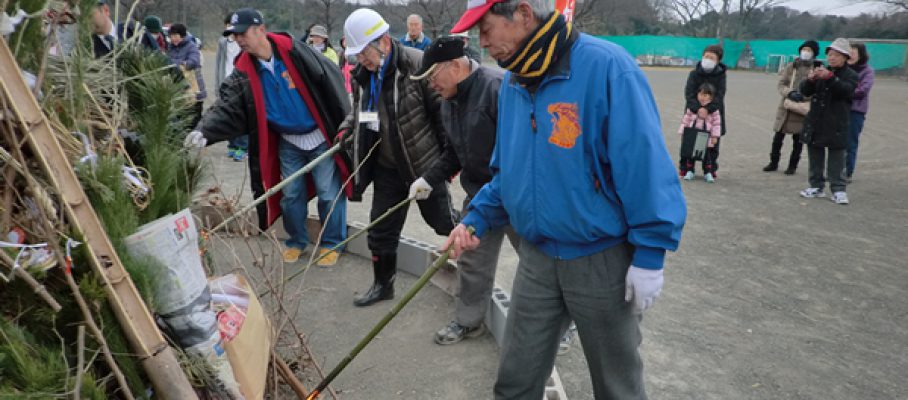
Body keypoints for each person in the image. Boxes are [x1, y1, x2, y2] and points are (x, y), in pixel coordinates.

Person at [446, 0, 686, 398]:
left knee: (617, 384)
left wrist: (650, 253)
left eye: (486, 29)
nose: (482, 43)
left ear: (522, 13)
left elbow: (644, 166)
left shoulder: (608, 67)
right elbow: (509, 169)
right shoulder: (512, 81)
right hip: (537, 260)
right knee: (515, 380)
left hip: (601, 261)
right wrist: (478, 217)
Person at [185, 8, 352, 265]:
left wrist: (343, 125)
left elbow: (330, 81)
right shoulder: (244, 70)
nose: (239, 40)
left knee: (328, 192)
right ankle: (296, 240)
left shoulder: (295, 53)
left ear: (260, 30)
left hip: (319, 137)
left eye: (243, 33)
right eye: (234, 35)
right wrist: (203, 130)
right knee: (291, 195)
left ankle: (332, 242)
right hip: (288, 141)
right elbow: (226, 105)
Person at [339, 8, 458, 307]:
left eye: (364, 53)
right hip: (387, 168)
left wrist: (449, 163)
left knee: (445, 224)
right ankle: (383, 285)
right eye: (356, 55)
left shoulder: (417, 64)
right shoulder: (363, 77)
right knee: (380, 231)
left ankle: (471, 280)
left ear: (384, 42)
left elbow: (443, 114)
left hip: (423, 167)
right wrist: (345, 130)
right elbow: (358, 113)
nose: (361, 60)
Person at [407, 36, 515, 344]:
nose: (431, 85)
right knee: (470, 259)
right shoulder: (448, 103)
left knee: (541, 262)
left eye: (432, 76)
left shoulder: (498, 88)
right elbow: (453, 153)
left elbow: (518, 151)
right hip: (480, 195)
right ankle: (469, 321)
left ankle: (565, 324)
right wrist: (428, 179)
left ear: (455, 65)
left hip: (516, 192)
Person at [798, 38, 859, 205]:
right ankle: (816, 186)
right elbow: (805, 91)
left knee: (837, 158)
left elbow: (846, 91)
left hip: (837, 121)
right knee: (815, 154)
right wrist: (810, 80)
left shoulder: (851, 75)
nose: (832, 58)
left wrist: (830, 78)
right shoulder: (820, 70)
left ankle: (838, 189)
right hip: (817, 119)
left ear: (845, 57)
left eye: (836, 55)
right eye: (830, 54)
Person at [763, 40, 820, 175]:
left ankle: (792, 165)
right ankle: (773, 162)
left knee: (798, 140)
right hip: (786, 107)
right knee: (778, 137)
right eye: (804, 49)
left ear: (814, 53)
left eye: (809, 50)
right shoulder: (791, 66)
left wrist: (804, 97)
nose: (805, 52)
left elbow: (818, 89)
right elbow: (781, 84)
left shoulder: (817, 68)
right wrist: (790, 93)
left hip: (802, 108)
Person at [683, 44, 727, 181]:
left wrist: (708, 109)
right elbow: (689, 93)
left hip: (714, 113)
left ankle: (710, 168)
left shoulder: (721, 75)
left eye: (711, 57)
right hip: (693, 113)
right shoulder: (694, 74)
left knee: (712, 142)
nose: (707, 59)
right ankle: (686, 168)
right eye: (706, 56)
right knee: (690, 142)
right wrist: (697, 109)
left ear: (718, 60)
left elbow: (720, 95)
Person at [215, 13, 248, 161]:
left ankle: (243, 147)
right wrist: (218, 85)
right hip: (226, 82)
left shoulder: (245, 43)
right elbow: (218, 64)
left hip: (241, 85)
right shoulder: (223, 42)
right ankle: (232, 145)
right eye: (227, 25)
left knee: (241, 116)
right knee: (229, 116)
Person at [678, 83, 722, 182]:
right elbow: (685, 121)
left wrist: (715, 136)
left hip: (706, 138)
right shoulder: (692, 108)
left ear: (711, 97)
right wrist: (683, 133)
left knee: (707, 157)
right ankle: (690, 171)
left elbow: (717, 124)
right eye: (701, 94)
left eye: (706, 95)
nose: (703, 97)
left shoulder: (714, 111)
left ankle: (708, 172)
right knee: (691, 156)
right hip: (692, 136)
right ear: (697, 94)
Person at [166, 23, 207, 128]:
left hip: (194, 88)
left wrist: (181, 64)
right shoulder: (170, 47)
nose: (173, 38)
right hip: (178, 88)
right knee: (180, 116)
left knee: (194, 117)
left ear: (182, 35)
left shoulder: (191, 46)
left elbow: (194, 61)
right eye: (171, 36)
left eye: (175, 35)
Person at [845, 42, 874, 182]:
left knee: (850, 143)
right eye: (848, 52)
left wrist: (842, 91)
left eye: (853, 52)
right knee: (835, 142)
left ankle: (847, 172)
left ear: (861, 55)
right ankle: (834, 170)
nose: (850, 54)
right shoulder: (842, 68)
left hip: (855, 111)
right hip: (839, 110)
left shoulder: (867, 71)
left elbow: (862, 91)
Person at [90, 0, 159, 58]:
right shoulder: (89, 50)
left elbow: (162, 61)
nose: (84, 20)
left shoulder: (135, 32)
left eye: (89, 14)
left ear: (105, 10)